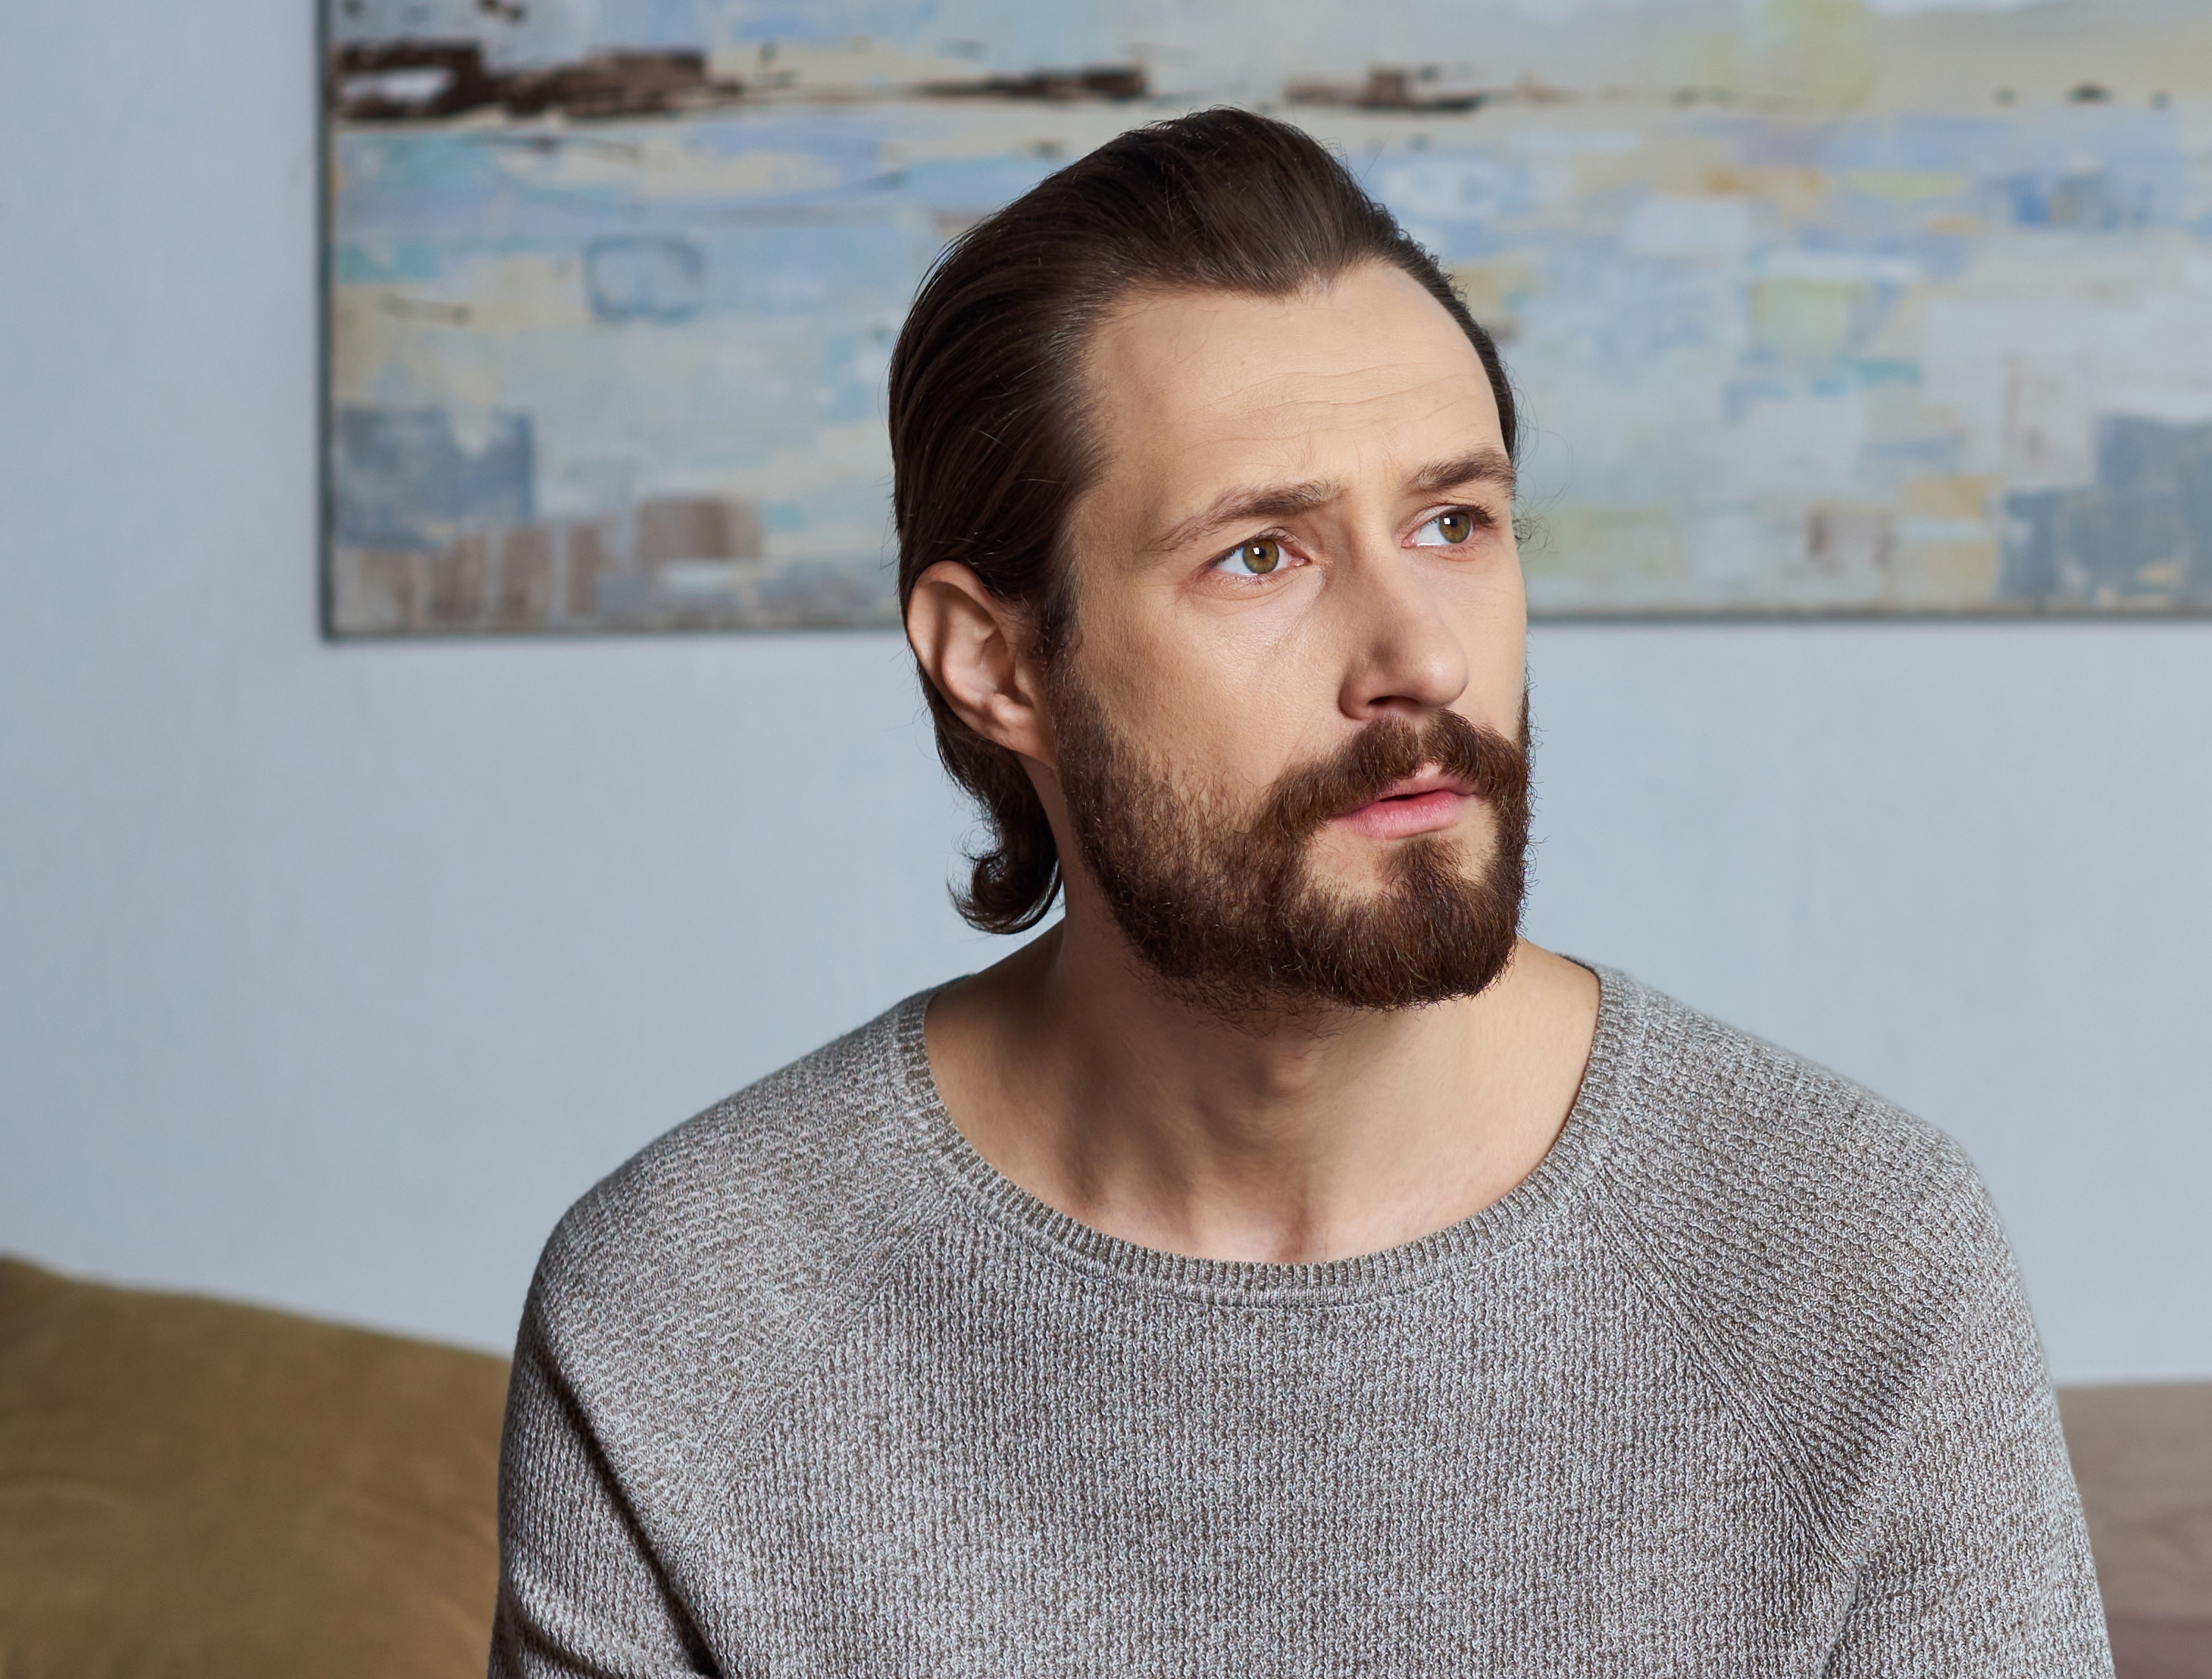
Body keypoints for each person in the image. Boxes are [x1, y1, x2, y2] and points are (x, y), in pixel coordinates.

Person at [490, 109, 2113, 1678]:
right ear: (996, 663)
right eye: (1260, 554)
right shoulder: (688, 1316)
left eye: (1453, 521)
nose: (1420, 654)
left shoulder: (1852, 1257)